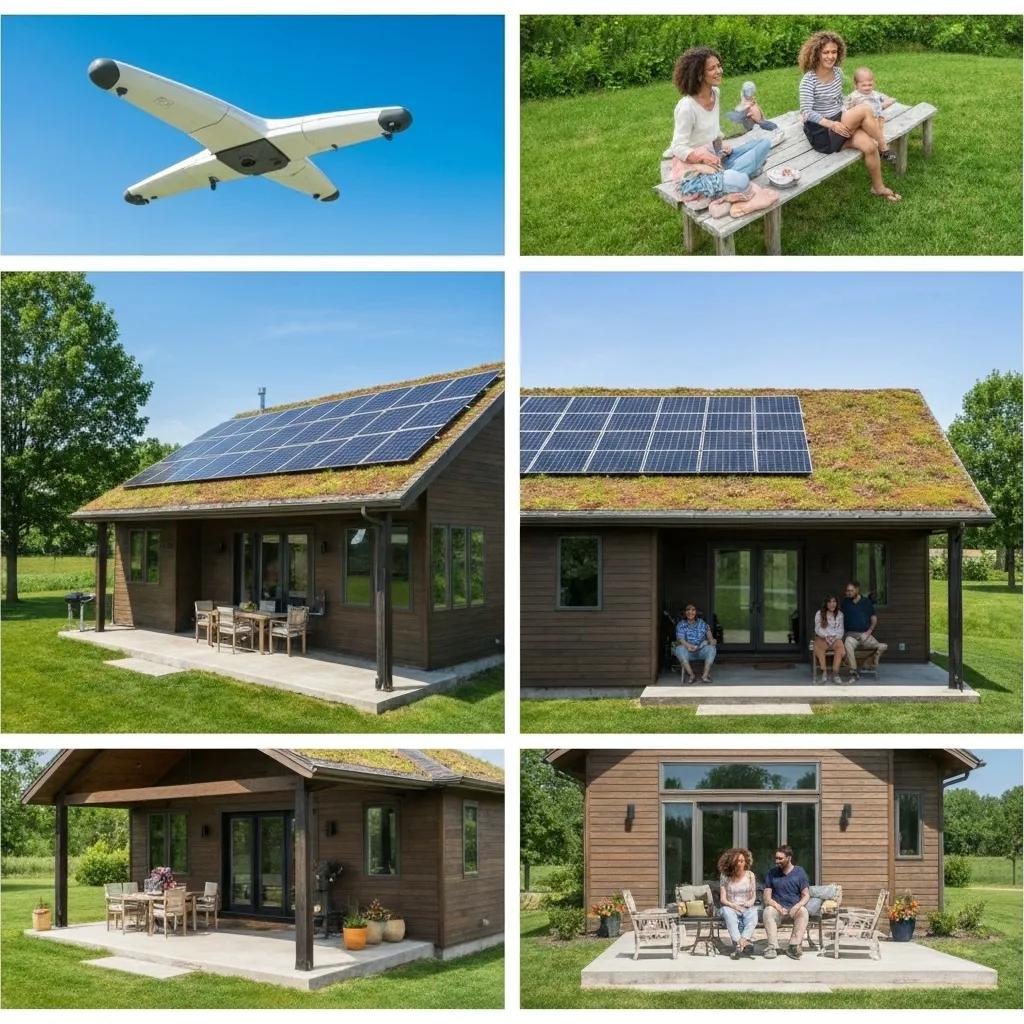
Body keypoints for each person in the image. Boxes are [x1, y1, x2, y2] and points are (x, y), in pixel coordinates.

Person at [664, 47, 777, 217]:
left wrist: (720, 147)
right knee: (740, 180)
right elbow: (677, 147)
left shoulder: (715, 93)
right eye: (712, 68)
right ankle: (735, 191)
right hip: (693, 169)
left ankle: (729, 181)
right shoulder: (686, 107)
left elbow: (714, 130)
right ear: (699, 75)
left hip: (716, 157)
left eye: (719, 66)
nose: (719, 71)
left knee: (764, 143)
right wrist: (703, 157)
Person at [797, 30, 902, 202]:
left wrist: (850, 114)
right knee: (864, 109)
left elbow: (839, 100)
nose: (830, 56)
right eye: (826, 52)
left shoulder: (837, 73)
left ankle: (878, 187)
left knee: (869, 146)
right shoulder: (808, 80)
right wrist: (832, 124)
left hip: (840, 123)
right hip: (823, 133)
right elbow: (806, 112)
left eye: (834, 52)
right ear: (816, 53)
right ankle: (884, 146)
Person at [762, 844, 810, 960]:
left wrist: (797, 906)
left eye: (780, 858)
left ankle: (794, 946)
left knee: (803, 911)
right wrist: (777, 906)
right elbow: (767, 897)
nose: (777, 861)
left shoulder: (800, 872)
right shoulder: (772, 873)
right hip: (777, 910)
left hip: (794, 910)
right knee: (768, 911)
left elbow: (806, 895)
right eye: (776, 858)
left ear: (789, 858)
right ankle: (773, 947)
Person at [841, 580, 888, 681]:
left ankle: (870, 662)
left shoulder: (866, 602)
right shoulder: (845, 602)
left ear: (857, 590)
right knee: (848, 643)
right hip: (851, 635)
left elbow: (874, 619)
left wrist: (868, 632)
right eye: (847, 590)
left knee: (883, 646)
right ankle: (853, 672)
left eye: (851, 590)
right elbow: (839, 618)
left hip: (864, 635)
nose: (848, 592)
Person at [717, 847, 758, 959]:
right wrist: (733, 905)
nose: (740, 864)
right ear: (732, 862)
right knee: (727, 912)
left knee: (754, 913)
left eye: (742, 861)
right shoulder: (725, 876)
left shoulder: (750, 875)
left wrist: (750, 902)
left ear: (746, 862)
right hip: (730, 906)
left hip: (746, 906)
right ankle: (743, 943)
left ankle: (740, 944)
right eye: (738, 861)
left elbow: (753, 896)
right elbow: (723, 899)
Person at [673, 603, 718, 683]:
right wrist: (689, 646)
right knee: (679, 649)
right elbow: (681, 639)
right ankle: (691, 675)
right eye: (688, 610)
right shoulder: (681, 625)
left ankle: (705, 676)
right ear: (685, 612)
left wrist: (712, 641)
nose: (690, 612)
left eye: (693, 610)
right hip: (688, 651)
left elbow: (710, 637)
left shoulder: (702, 623)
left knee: (711, 649)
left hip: (701, 650)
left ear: (696, 612)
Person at [813, 594, 845, 683]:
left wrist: (834, 637)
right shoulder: (819, 613)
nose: (832, 604)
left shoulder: (840, 614)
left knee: (840, 646)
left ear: (837, 603)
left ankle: (835, 673)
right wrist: (826, 636)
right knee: (818, 646)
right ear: (826, 603)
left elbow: (841, 630)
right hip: (823, 638)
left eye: (834, 602)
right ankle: (824, 672)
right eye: (830, 602)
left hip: (835, 639)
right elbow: (817, 629)